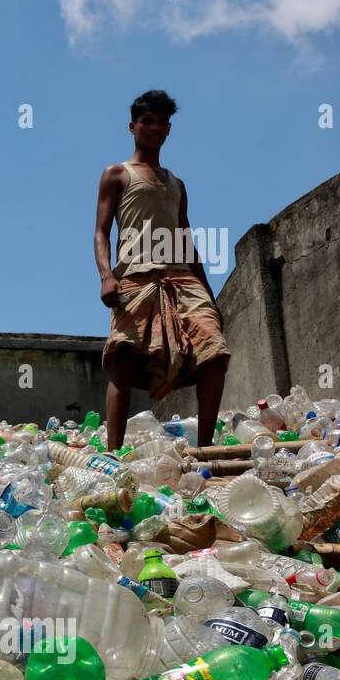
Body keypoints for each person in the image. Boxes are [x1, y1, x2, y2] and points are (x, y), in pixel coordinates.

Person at [95, 90, 230, 451]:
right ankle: (113, 455)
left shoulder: (176, 184)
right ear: (133, 127)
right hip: (135, 279)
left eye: (161, 123)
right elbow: (101, 231)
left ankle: (203, 449)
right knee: (123, 360)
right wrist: (107, 275)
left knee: (213, 352)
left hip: (182, 279)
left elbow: (187, 239)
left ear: (169, 129)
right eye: (147, 122)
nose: (155, 128)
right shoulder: (116, 174)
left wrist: (210, 295)